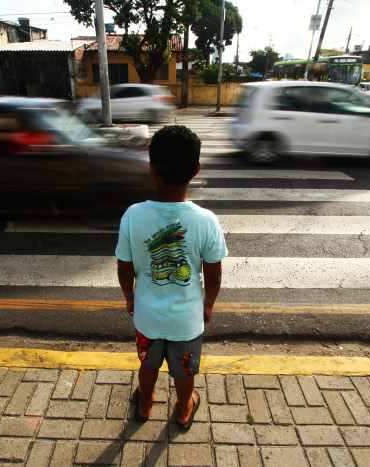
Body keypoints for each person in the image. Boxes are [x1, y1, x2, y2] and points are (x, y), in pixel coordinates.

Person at [115, 125, 228, 431]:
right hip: (187, 322)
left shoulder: (133, 215)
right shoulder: (206, 220)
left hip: (147, 317)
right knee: (183, 371)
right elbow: (214, 275)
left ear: (152, 170)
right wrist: (208, 305)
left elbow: (124, 267)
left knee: (148, 365)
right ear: (197, 170)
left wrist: (129, 296)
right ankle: (182, 409)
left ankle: (146, 402)